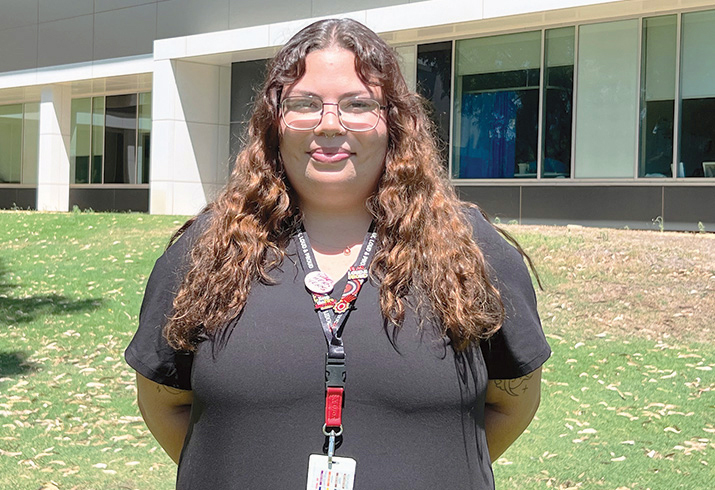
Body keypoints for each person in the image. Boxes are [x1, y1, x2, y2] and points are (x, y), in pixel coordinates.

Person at [125, 18, 550, 490]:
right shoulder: (207, 249)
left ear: (394, 120)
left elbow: (513, 402)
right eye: (304, 104)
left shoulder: (471, 249)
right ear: (274, 120)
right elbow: (164, 401)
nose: (330, 124)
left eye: (358, 104)